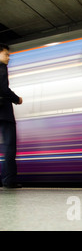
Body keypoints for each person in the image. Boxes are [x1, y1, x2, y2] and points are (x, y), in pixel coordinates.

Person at [0, 43, 23, 189]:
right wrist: (17, 99)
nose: (9, 57)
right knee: (9, 147)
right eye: (6, 54)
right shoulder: (2, 68)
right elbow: (3, 89)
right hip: (4, 113)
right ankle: (9, 180)